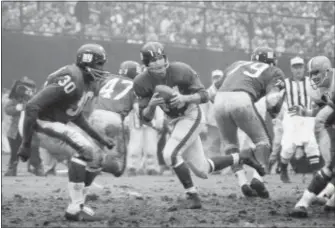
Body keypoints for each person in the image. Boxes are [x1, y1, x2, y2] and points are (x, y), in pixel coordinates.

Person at [133, 41, 264, 209]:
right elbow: (145, 118)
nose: (160, 67)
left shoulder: (181, 70)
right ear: (146, 65)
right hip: (175, 121)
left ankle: (192, 197)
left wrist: (184, 98)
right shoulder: (141, 82)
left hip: (191, 115)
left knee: (170, 154)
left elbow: (203, 95)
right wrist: (151, 105)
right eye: (155, 65)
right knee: (202, 170)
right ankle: (242, 158)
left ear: (166, 59)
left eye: (161, 61)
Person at [17, 43, 121, 222]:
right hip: (39, 122)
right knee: (85, 150)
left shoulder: (86, 84)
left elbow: (76, 116)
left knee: (94, 157)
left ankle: (79, 204)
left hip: (52, 122)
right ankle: (74, 208)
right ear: (86, 63)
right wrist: (26, 144)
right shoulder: (72, 78)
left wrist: (100, 138)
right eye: (98, 64)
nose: (101, 69)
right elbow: (32, 106)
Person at [212, 47, 287, 198]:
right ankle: (257, 179)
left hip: (219, 100)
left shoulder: (237, 64)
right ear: (271, 61)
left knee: (230, 145)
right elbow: (272, 100)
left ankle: (242, 182)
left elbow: (212, 92)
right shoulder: (273, 70)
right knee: (263, 141)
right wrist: (275, 111)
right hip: (242, 98)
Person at [290, 55, 335, 217]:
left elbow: (326, 113)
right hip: (327, 124)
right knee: (331, 166)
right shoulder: (316, 90)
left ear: (328, 71)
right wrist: (308, 112)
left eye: (317, 72)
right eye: (312, 73)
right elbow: (325, 112)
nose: (313, 77)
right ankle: (304, 202)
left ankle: (325, 198)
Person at [277, 57, 321, 183]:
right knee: (288, 147)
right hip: (291, 117)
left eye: (300, 67)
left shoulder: (311, 82)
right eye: (295, 67)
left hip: (306, 116)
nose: (298, 70)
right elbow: (275, 97)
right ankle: (283, 170)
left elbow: (319, 97)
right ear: (291, 69)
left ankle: (316, 174)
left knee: (311, 144)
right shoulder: (283, 83)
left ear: (304, 68)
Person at [4, 77, 44, 176]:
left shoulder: (35, 99)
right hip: (15, 131)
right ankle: (12, 168)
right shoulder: (15, 100)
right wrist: (17, 108)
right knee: (15, 152)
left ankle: (37, 167)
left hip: (31, 130)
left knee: (34, 149)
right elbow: (7, 109)